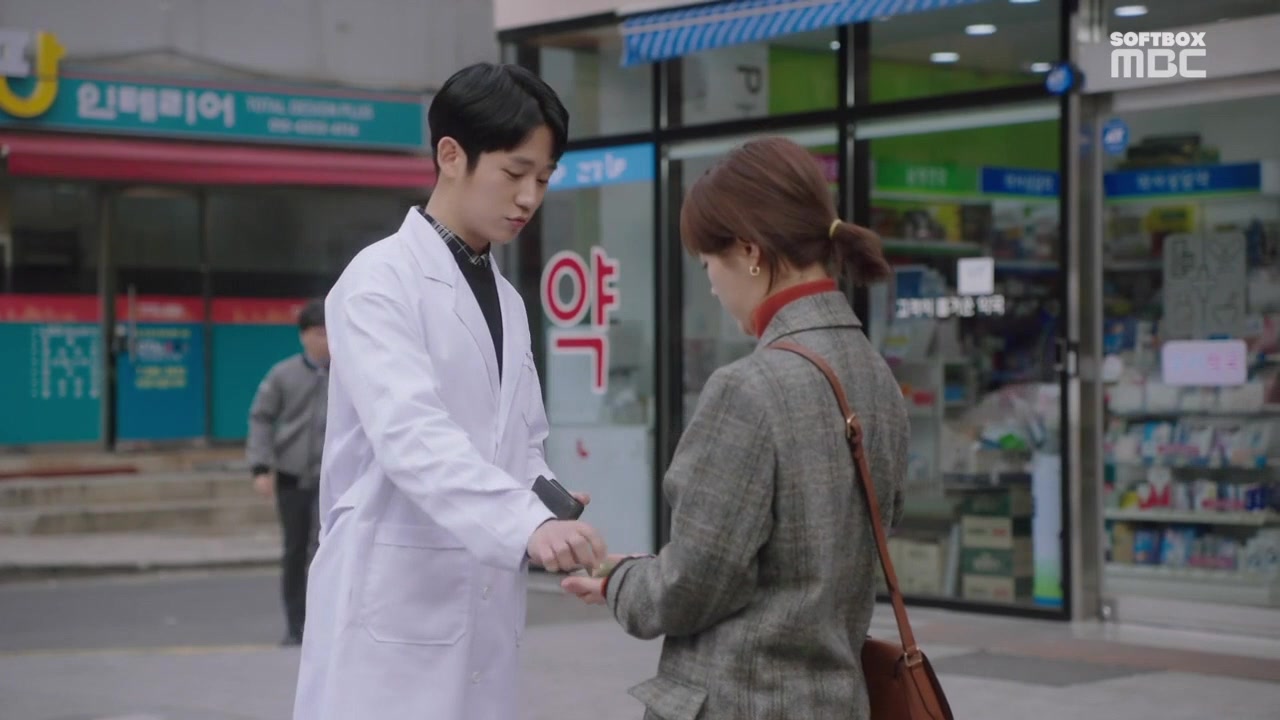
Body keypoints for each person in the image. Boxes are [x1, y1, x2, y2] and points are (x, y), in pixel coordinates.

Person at [292, 62, 607, 720]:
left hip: (478, 605)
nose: (529, 197)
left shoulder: (508, 299)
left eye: (544, 179)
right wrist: (525, 523)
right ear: (451, 155)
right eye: (515, 173)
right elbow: (412, 437)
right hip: (391, 606)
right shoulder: (379, 281)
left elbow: (520, 441)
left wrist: (549, 502)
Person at [563, 136, 910, 720]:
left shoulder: (748, 388)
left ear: (750, 252)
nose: (711, 285)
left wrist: (618, 578)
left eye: (708, 263)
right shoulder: (876, 376)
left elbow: (691, 585)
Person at [246, 297, 328, 647]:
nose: (326, 341)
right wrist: (261, 466)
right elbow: (261, 418)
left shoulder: (350, 374)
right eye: (319, 333)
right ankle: (296, 625)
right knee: (294, 550)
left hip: (332, 478)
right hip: (293, 476)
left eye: (330, 332)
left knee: (324, 550)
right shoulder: (283, 374)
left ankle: (325, 624)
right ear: (303, 335)